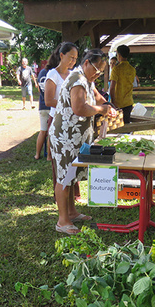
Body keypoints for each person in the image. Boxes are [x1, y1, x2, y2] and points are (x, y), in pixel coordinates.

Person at [49, 49, 117, 234]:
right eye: (96, 69)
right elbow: (79, 108)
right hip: (65, 136)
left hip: (76, 137)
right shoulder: (77, 80)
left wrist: (109, 107)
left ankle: (71, 212)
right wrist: (100, 110)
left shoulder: (87, 80)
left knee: (71, 175)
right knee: (64, 177)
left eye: (101, 71)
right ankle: (62, 221)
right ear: (86, 63)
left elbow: (97, 97)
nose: (98, 74)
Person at [44, 42, 81, 200]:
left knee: (74, 157)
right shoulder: (53, 75)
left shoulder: (73, 75)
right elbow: (48, 100)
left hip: (72, 122)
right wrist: (69, 104)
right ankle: (60, 195)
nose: (73, 61)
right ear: (61, 55)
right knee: (60, 160)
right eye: (70, 57)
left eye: (75, 59)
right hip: (58, 121)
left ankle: (74, 194)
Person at [109, 44, 136, 124]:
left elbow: (112, 87)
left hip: (118, 103)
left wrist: (113, 102)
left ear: (119, 55)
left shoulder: (116, 69)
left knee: (116, 126)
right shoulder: (132, 69)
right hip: (129, 102)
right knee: (126, 125)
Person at [35, 57, 53, 160]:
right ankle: (49, 156)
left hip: (42, 105)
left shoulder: (41, 72)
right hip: (51, 106)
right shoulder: (53, 74)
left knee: (42, 131)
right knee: (51, 132)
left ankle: (37, 154)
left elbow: (38, 87)